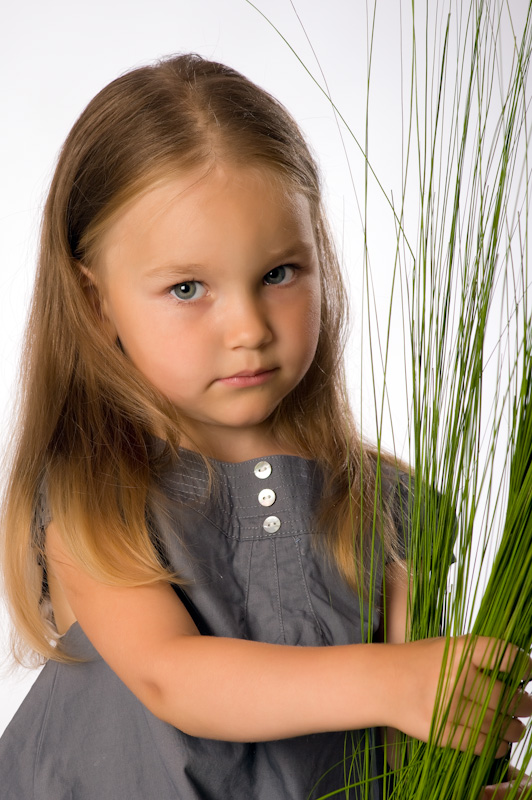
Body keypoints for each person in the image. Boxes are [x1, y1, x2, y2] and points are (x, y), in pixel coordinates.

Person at [0, 54, 530, 800]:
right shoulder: (100, 492)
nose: (248, 327)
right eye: (188, 288)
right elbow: (171, 675)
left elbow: (412, 724)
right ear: (96, 304)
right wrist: (389, 681)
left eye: (280, 273)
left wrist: (459, 759)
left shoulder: (378, 500)